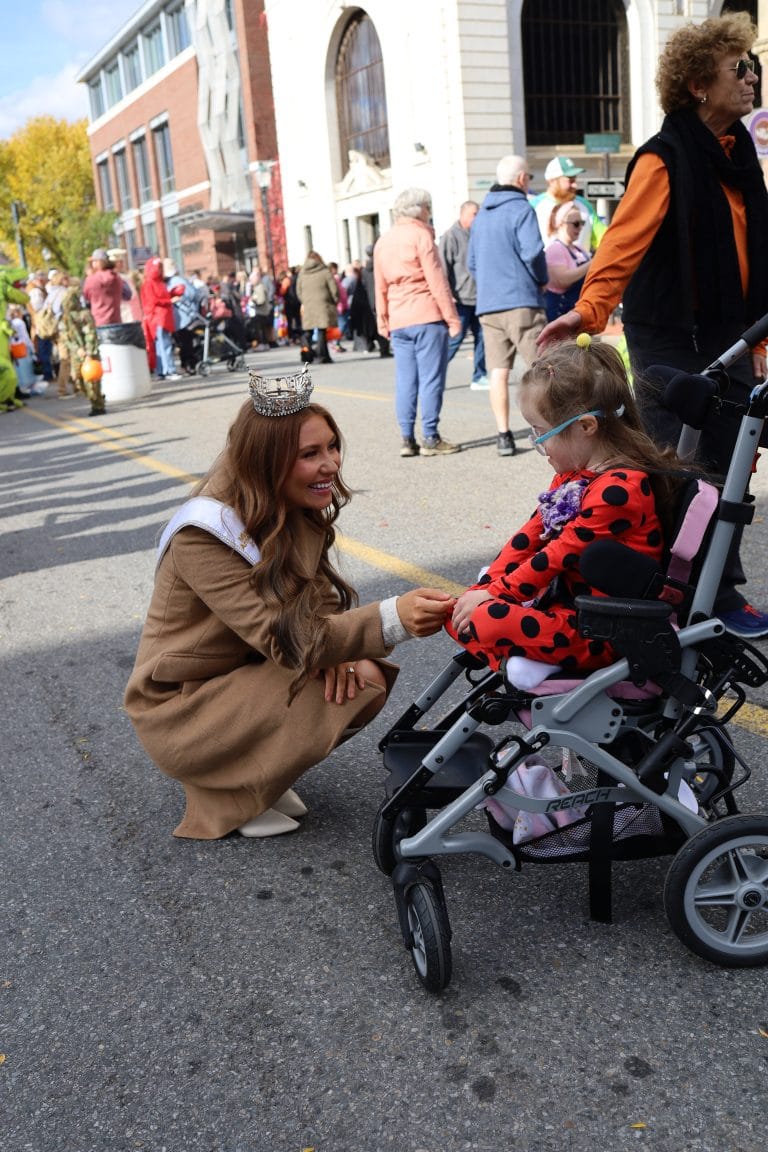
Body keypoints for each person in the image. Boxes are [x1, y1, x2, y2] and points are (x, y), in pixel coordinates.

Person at [124, 368, 454, 839]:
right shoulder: (204, 534)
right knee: (357, 675)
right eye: (310, 454)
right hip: (181, 708)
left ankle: (258, 778)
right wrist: (391, 619)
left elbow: (313, 600)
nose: (332, 464)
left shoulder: (282, 501)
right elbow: (282, 635)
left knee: (363, 674)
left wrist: (340, 646)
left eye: (332, 447)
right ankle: (227, 791)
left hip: (240, 676)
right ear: (268, 460)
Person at [537, 11, 768, 639]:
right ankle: (693, 594)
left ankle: (708, 588)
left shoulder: (738, 156)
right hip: (672, 338)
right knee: (686, 473)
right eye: (738, 68)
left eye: (753, 66)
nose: (753, 77)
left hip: (733, 336)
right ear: (698, 83)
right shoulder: (663, 158)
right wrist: (586, 311)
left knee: (732, 465)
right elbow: (621, 246)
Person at [446, 338, 682, 673]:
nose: (539, 446)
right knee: (456, 611)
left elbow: (556, 555)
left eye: (541, 435)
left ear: (586, 427)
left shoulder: (618, 491)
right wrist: (486, 588)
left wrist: (496, 596)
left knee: (482, 618)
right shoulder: (574, 476)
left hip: (602, 630)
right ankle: (521, 659)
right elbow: (529, 536)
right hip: (564, 607)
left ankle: (526, 663)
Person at [468, 155, 548, 457]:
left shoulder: (481, 215)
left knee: (498, 372)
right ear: (521, 179)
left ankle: (503, 435)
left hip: (489, 305)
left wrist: (490, 284)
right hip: (522, 301)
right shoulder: (521, 208)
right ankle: (545, 429)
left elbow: (471, 263)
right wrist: (541, 278)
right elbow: (532, 252)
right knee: (541, 369)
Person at [374, 188, 462, 457]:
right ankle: (431, 436)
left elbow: (379, 286)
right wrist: (452, 318)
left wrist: (383, 320)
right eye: (428, 206)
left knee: (405, 380)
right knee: (431, 379)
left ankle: (406, 438)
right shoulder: (421, 236)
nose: (429, 211)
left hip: (399, 318)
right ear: (419, 210)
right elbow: (437, 281)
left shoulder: (383, 241)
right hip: (426, 315)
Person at [439, 200, 488, 389]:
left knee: (482, 338)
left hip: (480, 298)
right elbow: (442, 268)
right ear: (463, 214)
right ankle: (436, 374)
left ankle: (479, 375)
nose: (477, 217)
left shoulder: (479, 234)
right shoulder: (450, 236)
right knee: (455, 339)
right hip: (459, 298)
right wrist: (447, 295)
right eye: (474, 213)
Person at [531, 156, 606, 255]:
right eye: (570, 181)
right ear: (552, 181)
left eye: (575, 180)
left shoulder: (585, 205)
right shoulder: (533, 206)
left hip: (582, 269)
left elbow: (605, 241)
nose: (575, 185)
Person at [59, 277, 105, 415]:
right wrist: (76, 349)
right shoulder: (65, 318)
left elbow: (90, 333)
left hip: (89, 352)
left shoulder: (84, 314)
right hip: (76, 353)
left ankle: (98, 405)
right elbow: (65, 336)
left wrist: (88, 353)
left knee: (92, 379)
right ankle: (95, 399)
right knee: (78, 381)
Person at [543, 202, 592, 322]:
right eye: (576, 224)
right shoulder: (555, 249)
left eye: (582, 223)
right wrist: (591, 263)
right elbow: (562, 280)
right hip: (560, 315)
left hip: (576, 313)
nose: (580, 228)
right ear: (560, 224)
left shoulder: (579, 249)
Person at [140, 256, 181, 381]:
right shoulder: (151, 283)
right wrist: (170, 299)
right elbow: (153, 300)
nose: (158, 270)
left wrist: (173, 294)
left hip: (161, 317)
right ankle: (169, 370)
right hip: (158, 318)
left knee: (161, 345)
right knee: (164, 344)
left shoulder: (157, 282)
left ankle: (162, 371)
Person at [296, 251, 338, 364]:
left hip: (308, 304)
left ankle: (306, 354)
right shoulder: (324, 271)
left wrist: (304, 301)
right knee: (321, 330)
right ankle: (323, 355)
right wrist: (334, 300)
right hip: (323, 304)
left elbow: (298, 290)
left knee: (308, 331)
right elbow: (333, 289)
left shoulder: (302, 273)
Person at [164, 259, 203, 376]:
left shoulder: (166, 283)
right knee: (187, 342)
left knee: (182, 343)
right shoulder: (179, 280)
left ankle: (185, 364)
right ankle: (189, 364)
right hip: (185, 316)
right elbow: (193, 294)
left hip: (175, 319)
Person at [82, 248, 131, 327]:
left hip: (99, 322)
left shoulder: (91, 280)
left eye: (93, 261)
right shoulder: (117, 278)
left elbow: (85, 299)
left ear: (97, 262)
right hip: (117, 321)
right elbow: (128, 295)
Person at [25, 270, 57, 386]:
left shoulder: (36, 290)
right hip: (41, 324)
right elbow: (37, 308)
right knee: (44, 350)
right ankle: (47, 375)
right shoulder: (36, 292)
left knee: (45, 350)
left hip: (40, 324)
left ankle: (48, 374)